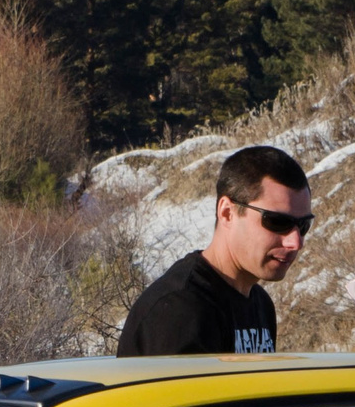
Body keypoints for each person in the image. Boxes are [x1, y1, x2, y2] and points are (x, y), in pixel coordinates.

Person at [116, 145, 311, 356]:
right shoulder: (180, 310)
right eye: (277, 222)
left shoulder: (260, 304)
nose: (295, 242)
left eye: (303, 226)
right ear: (227, 212)